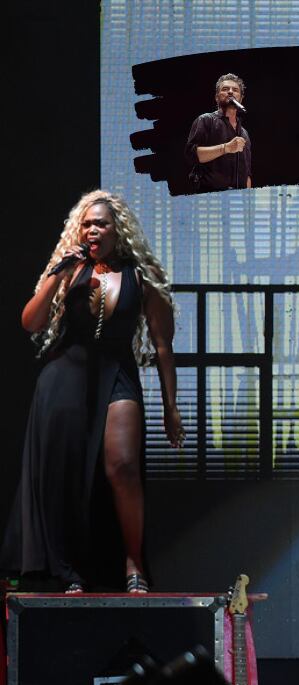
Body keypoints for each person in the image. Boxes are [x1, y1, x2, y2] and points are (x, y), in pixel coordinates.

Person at [2, 190, 184, 593]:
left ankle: (133, 562)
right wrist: (57, 274)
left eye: (100, 222)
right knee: (66, 477)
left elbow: (163, 346)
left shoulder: (141, 275)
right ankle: (69, 570)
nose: (92, 229)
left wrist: (171, 408)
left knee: (122, 466)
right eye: (86, 223)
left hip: (117, 373)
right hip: (65, 378)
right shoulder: (69, 270)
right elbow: (31, 323)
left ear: (118, 229)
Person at [185, 73, 252, 191]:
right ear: (217, 97)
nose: (230, 92)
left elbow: (246, 173)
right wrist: (226, 148)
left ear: (241, 98)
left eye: (235, 90)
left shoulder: (244, 133)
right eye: (225, 89)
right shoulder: (206, 120)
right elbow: (192, 155)